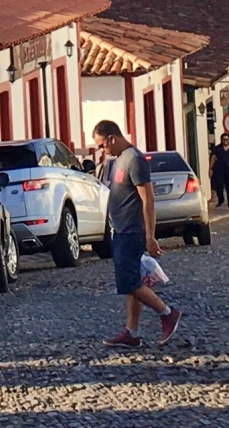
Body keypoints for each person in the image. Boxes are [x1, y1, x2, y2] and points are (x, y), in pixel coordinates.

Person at [93, 120, 183, 349]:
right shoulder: (117, 161)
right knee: (133, 281)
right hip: (120, 230)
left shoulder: (135, 160)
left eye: (102, 145)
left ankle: (167, 313)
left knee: (128, 282)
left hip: (132, 231)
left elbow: (148, 199)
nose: (103, 151)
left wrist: (150, 236)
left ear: (112, 138)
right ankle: (131, 333)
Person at [210, 134, 229, 212]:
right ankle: (221, 200)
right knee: (219, 187)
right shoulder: (217, 148)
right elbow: (213, 158)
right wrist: (210, 168)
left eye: (227, 139)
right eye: (224, 139)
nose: (225, 141)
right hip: (219, 171)